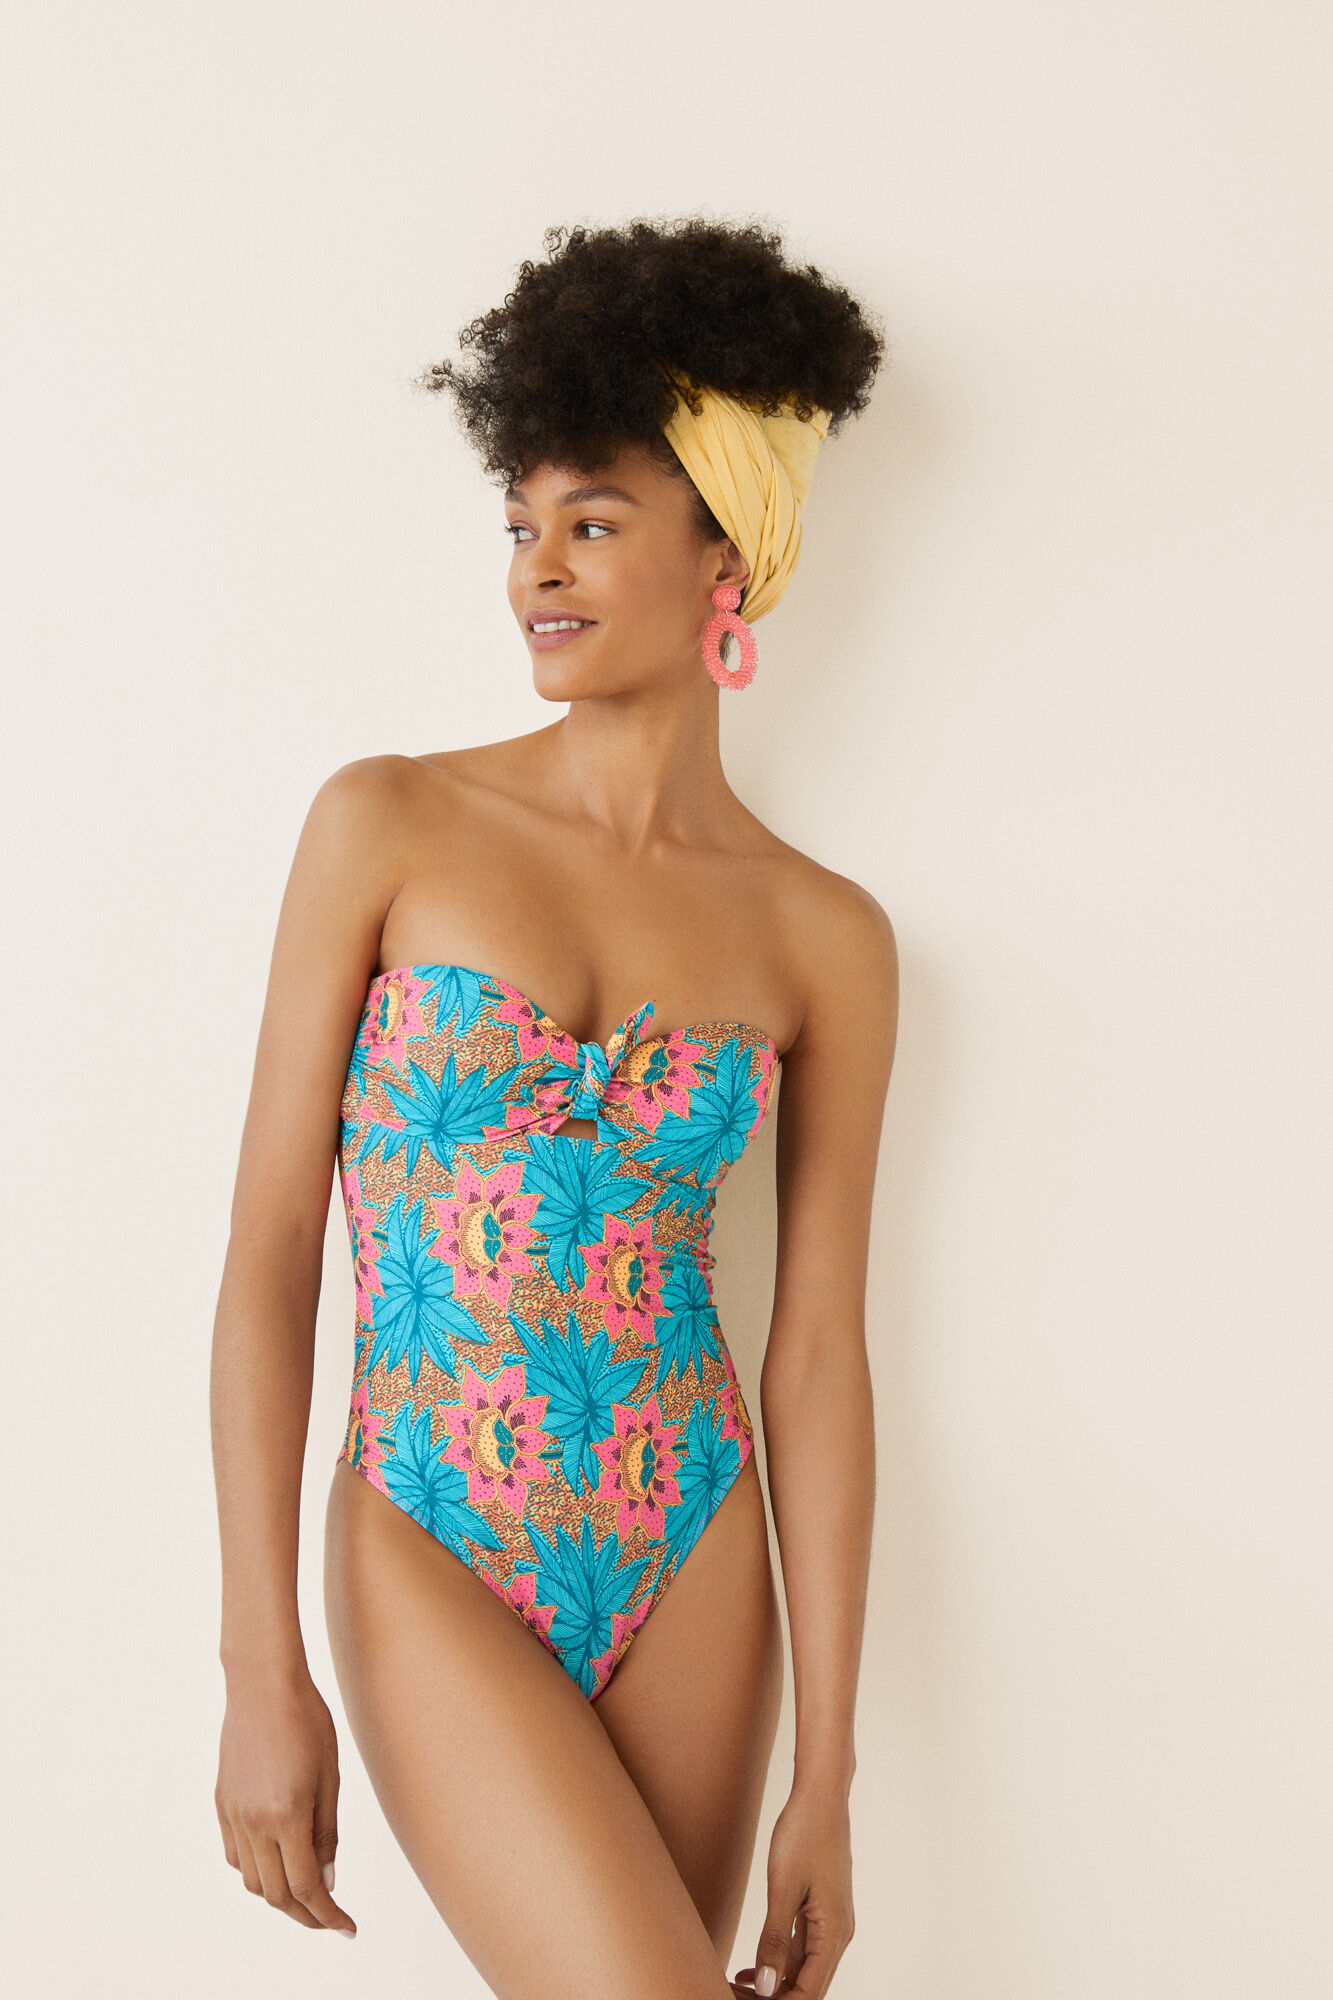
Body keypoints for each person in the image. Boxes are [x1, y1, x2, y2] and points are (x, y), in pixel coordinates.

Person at [210, 215, 898, 2000]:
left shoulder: (823, 935)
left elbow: (815, 1352)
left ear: (725, 552)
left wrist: (827, 1773)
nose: (538, 572)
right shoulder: (387, 821)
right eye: (519, 527)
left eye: (591, 523)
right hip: (430, 1512)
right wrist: (258, 1661)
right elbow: (271, 1249)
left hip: (692, 1544)